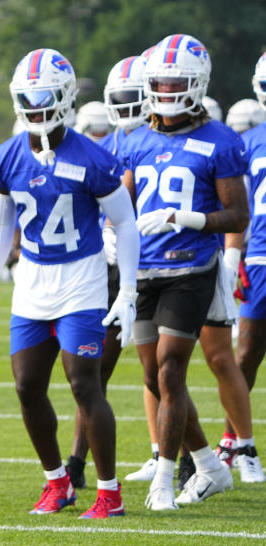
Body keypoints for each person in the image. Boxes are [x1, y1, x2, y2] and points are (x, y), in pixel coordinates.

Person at [0, 48, 140, 519]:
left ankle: (109, 491)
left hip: (83, 278)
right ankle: (57, 481)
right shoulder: (6, 158)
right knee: (27, 385)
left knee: (83, 383)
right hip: (31, 279)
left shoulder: (93, 156)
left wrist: (127, 291)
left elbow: (125, 225)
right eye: (26, 97)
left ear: (65, 96)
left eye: (43, 96)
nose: (35, 106)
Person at [120, 34, 248, 509]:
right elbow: (123, 203)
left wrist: (188, 218)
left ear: (197, 85)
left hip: (192, 265)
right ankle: (211, 466)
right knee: (155, 377)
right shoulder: (137, 141)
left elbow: (238, 216)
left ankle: (166, 480)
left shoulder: (220, 140)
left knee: (171, 370)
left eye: (178, 82)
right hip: (143, 270)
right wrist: (114, 231)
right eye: (161, 82)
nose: (169, 90)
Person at [65, 54, 149, 489]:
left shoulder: (158, 143)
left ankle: (201, 456)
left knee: (160, 370)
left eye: (135, 97)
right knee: (97, 372)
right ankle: (77, 462)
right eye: (121, 98)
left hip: (163, 269)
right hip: (111, 269)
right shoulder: (103, 148)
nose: (127, 107)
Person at [216, 52, 266, 483]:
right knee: (246, 354)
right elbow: (234, 206)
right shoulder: (247, 142)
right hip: (261, 258)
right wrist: (236, 256)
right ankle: (235, 441)